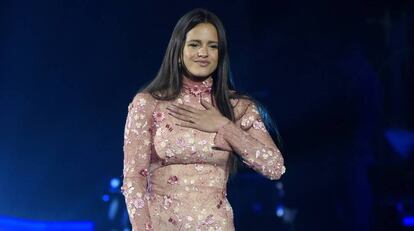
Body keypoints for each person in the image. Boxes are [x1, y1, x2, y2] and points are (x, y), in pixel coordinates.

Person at [121, 8, 286, 231]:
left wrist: (223, 126)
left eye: (212, 46)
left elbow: (274, 167)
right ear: (178, 51)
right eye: (195, 44)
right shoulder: (148, 104)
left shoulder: (238, 106)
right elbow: (134, 180)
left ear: (221, 54)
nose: (204, 53)